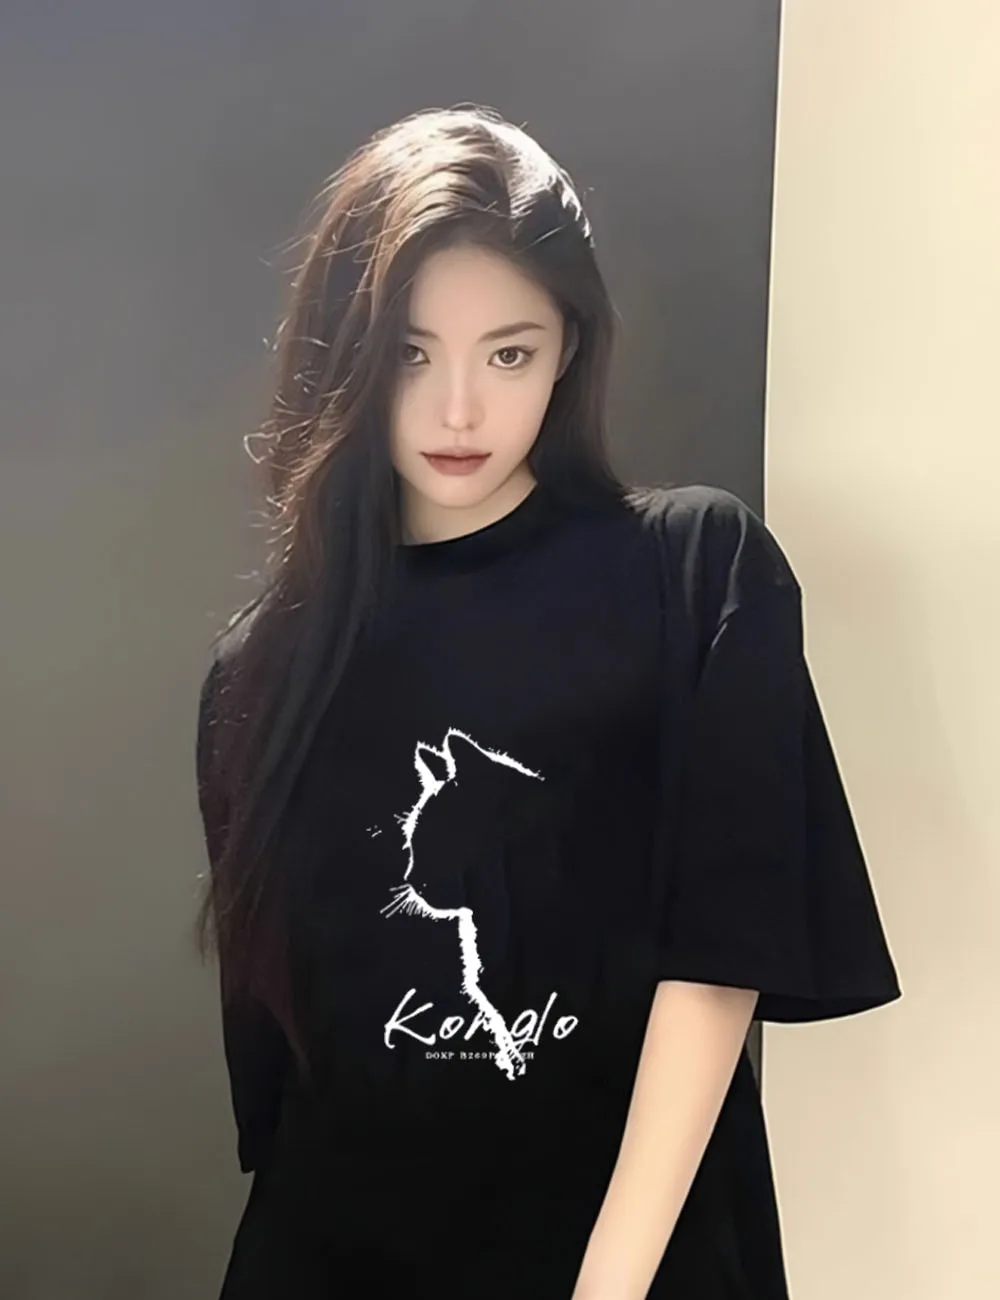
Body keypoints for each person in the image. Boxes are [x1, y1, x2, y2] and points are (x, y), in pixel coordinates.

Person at [193, 104, 900, 1299]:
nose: (459, 410)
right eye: (410, 354)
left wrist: (609, 1283)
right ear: (346, 355)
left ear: (568, 347)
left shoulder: (692, 572)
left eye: (508, 353)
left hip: (626, 1255)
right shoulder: (263, 664)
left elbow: (717, 960)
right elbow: (291, 1065)